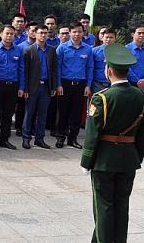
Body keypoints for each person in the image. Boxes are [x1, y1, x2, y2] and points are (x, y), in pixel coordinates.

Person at [78, 43, 144, 243]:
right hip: (129, 158)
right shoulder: (139, 96)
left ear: (108, 70)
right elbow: (142, 133)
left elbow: (93, 134)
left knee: (104, 205)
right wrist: (138, 156)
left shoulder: (102, 98)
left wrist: (87, 160)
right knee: (122, 204)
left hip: (105, 160)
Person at [56, 21, 93, 149]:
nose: (77, 34)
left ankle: (73, 139)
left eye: (79, 31)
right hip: (65, 84)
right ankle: (60, 137)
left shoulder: (88, 49)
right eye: (74, 32)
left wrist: (88, 85)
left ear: (83, 33)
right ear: (70, 33)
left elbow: (90, 68)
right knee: (63, 112)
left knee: (77, 113)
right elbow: (58, 67)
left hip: (80, 85)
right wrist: (58, 84)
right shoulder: (62, 48)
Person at [0, 25, 25, 150]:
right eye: (7, 33)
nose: (9, 36)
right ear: (1, 34)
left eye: (12, 34)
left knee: (8, 114)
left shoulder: (18, 50)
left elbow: (21, 69)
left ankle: (4, 138)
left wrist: (21, 87)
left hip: (13, 86)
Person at [22, 24, 57, 149]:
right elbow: (25, 71)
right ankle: (26, 138)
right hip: (32, 87)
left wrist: (53, 87)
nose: (43, 35)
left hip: (46, 86)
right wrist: (25, 88)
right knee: (29, 113)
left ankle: (39, 139)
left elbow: (54, 70)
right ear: (35, 34)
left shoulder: (52, 50)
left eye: (45, 33)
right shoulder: (28, 50)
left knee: (43, 114)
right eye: (41, 33)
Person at [92, 28, 117, 94]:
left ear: (115, 39)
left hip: (113, 85)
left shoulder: (119, 52)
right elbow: (90, 68)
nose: (108, 39)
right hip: (97, 85)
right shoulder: (94, 51)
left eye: (111, 37)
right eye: (107, 37)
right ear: (102, 38)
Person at [126, 23, 144, 90]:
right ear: (132, 34)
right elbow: (126, 68)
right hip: (131, 85)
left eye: (143, 33)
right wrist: (138, 81)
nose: (142, 35)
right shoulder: (127, 49)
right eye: (139, 33)